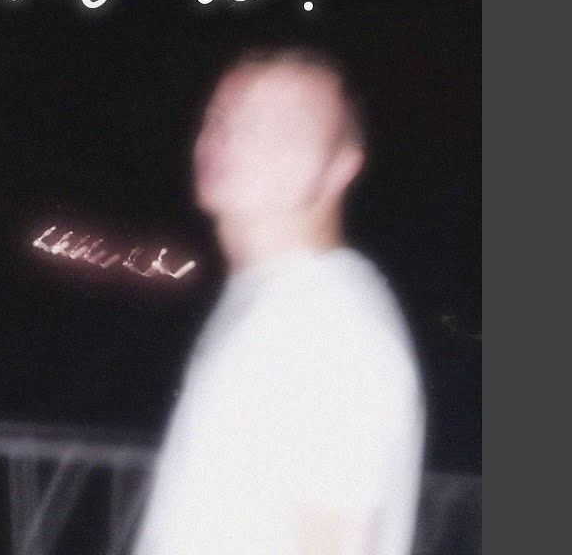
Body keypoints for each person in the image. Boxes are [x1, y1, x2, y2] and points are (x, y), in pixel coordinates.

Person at [133, 47, 426, 555]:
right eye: (221, 117)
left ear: (341, 167)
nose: (232, 137)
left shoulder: (330, 325)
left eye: (282, 126)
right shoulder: (274, 298)